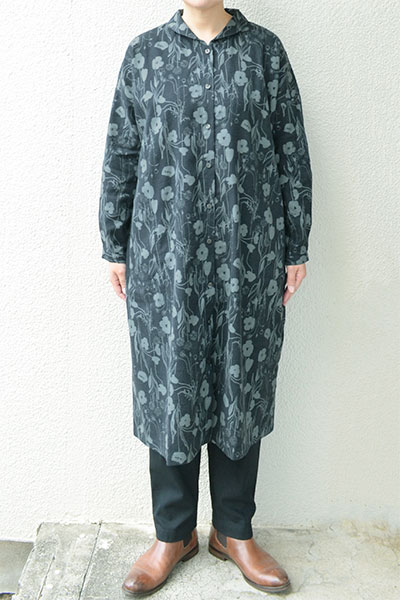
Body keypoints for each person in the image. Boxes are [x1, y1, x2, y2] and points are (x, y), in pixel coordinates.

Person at [98, 0, 312, 596]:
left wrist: (296, 244)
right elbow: (121, 152)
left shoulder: (265, 53)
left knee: (241, 383)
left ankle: (233, 531)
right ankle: (173, 534)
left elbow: (291, 149)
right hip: (164, 257)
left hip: (249, 255)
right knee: (172, 386)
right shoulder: (145, 55)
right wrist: (114, 243)